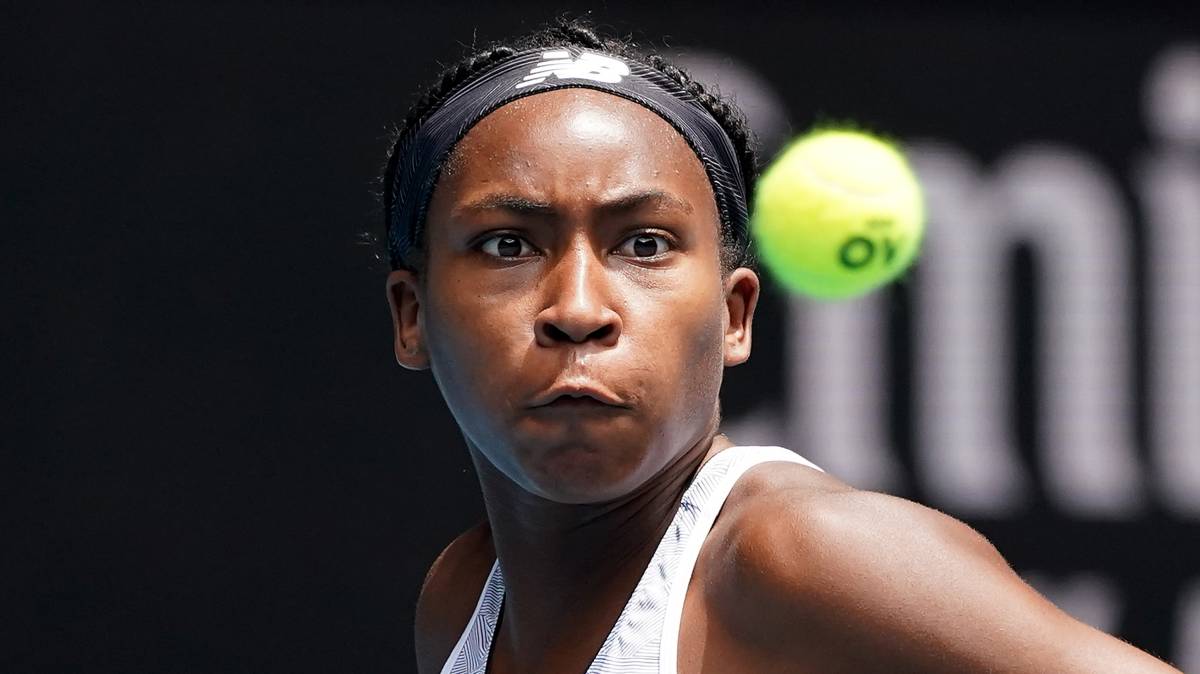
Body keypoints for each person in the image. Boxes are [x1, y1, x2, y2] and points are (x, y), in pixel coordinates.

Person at [381, 19, 1181, 674]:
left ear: (735, 317)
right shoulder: (460, 602)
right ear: (412, 316)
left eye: (647, 244)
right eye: (507, 246)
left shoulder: (805, 556)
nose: (580, 309)